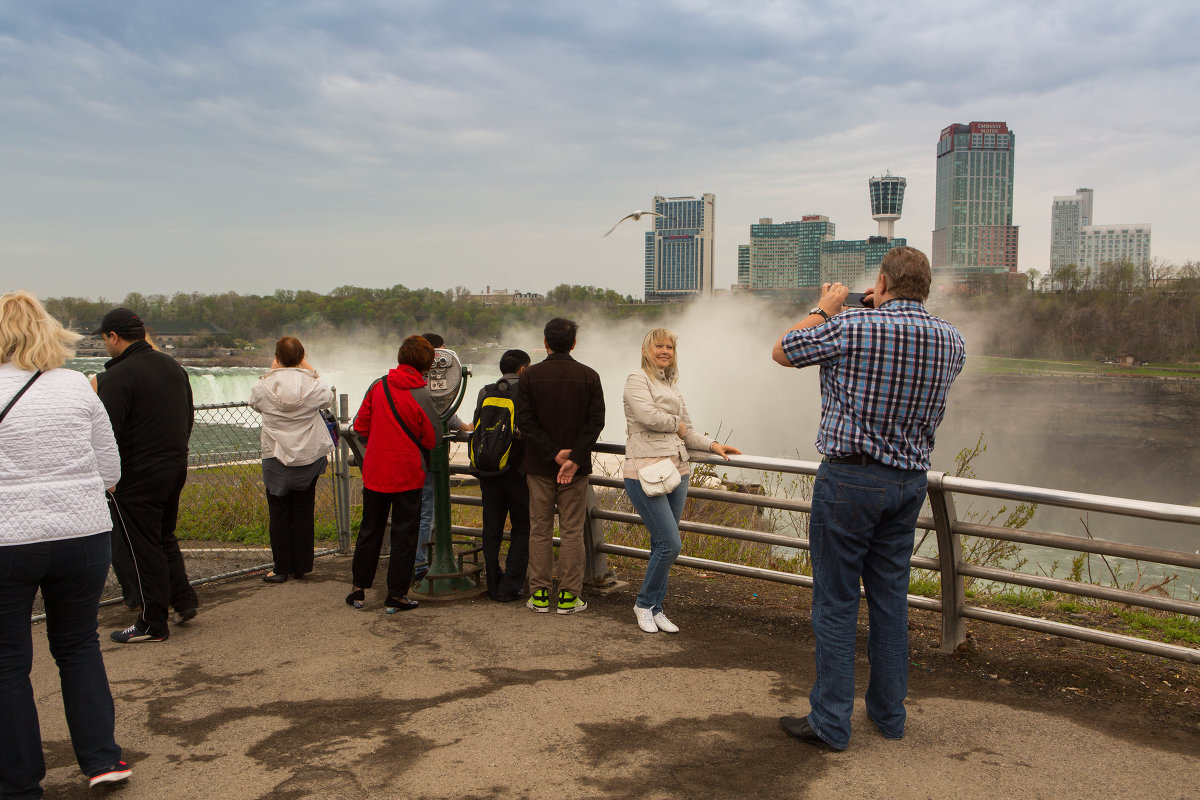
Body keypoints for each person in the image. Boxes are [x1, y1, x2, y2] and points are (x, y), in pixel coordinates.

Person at [770, 246, 965, 751]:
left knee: (836, 603)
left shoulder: (852, 325)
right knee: (889, 600)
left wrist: (826, 307)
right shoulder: (952, 340)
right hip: (908, 483)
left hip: (851, 481)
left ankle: (831, 723)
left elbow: (783, 350)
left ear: (881, 282)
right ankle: (888, 716)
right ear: (926, 287)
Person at [0, 291, 132, 795]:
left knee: (9, 660)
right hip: (81, 534)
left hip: (8, 539)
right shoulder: (77, 386)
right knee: (78, 645)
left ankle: (19, 782)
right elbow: (111, 470)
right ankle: (102, 759)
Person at [623, 329, 741, 634]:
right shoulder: (637, 379)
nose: (665, 351)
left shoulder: (671, 384)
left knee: (661, 543)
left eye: (670, 347)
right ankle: (643, 603)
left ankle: (656, 608)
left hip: (677, 469)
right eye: (659, 346)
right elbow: (649, 416)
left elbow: (687, 430)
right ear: (645, 349)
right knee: (670, 544)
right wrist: (677, 425)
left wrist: (713, 445)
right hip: (645, 470)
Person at [92, 308, 198, 643]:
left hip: (136, 474)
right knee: (164, 536)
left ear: (113, 336)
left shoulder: (117, 376)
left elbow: (106, 433)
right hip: (174, 465)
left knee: (142, 547)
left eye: (104, 338)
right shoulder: (172, 366)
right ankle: (182, 599)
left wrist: (109, 477)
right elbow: (187, 415)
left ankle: (152, 621)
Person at [515, 318, 605, 614]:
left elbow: (525, 423)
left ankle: (539, 594)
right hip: (575, 472)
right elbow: (596, 423)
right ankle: (569, 597)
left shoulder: (530, 377)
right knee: (571, 532)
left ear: (545, 342)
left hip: (539, 467)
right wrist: (574, 458)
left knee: (539, 529)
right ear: (574, 343)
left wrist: (554, 454)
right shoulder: (589, 376)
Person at [345, 335, 437, 613]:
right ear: (426, 364)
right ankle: (396, 595)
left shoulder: (378, 386)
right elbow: (433, 438)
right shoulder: (422, 394)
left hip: (376, 472)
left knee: (370, 531)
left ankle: (358, 589)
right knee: (404, 535)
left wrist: (378, 444)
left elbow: (360, 427)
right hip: (408, 475)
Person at [249, 336, 335, 583]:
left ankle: (281, 568)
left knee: (278, 512)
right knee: (303, 510)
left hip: (275, 455)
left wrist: (274, 372)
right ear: (302, 356)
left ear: (276, 357)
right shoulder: (314, 385)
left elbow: (254, 404)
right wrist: (309, 369)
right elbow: (327, 396)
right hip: (308, 456)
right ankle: (302, 567)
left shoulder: (262, 385)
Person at [472, 349, 532, 602]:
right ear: (523, 369)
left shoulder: (485, 391)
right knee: (522, 527)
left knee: (492, 526)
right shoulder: (528, 393)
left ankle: (493, 582)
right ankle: (511, 585)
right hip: (517, 471)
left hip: (488, 469)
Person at [412, 332, 471, 582]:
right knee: (426, 509)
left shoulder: (412, 377)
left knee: (417, 509)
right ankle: (419, 564)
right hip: (427, 452)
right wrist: (466, 427)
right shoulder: (420, 380)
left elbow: (439, 408)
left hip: (410, 452)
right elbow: (438, 408)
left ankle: (415, 560)